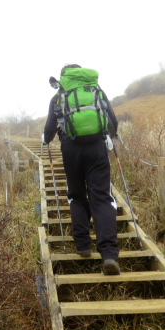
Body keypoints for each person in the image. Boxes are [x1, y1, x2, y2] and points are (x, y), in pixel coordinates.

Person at [42, 64, 120, 275]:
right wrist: (111, 136)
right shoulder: (96, 91)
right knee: (102, 197)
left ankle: (83, 246)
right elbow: (113, 121)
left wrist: (46, 139)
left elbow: (50, 128)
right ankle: (109, 255)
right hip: (97, 148)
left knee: (76, 195)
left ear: (64, 78)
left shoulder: (59, 97)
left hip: (71, 149)